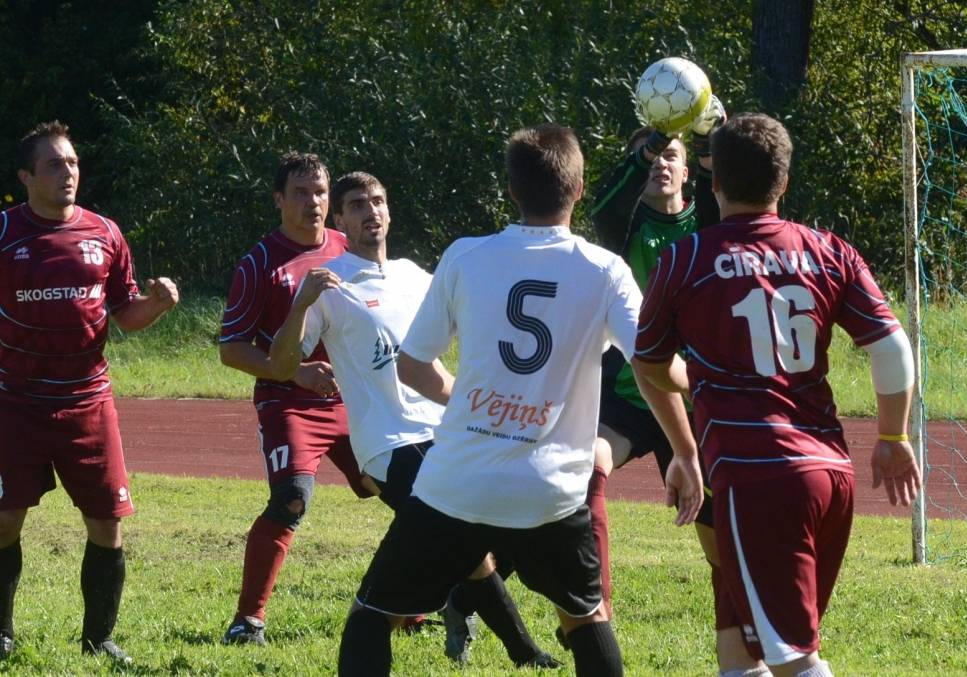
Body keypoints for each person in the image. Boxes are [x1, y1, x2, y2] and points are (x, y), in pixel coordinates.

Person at [336, 123, 705, 677]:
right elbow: (654, 366)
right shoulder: (605, 270)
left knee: (371, 615)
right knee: (585, 620)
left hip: (456, 481)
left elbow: (412, 366)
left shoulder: (465, 256)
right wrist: (694, 427)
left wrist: (470, 402)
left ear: (511, 191)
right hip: (550, 489)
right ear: (578, 190)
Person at [632, 113, 922, 677]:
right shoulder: (829, 250)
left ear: (715, 182)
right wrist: (892, 435)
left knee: (794, 660)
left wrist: (693, 394)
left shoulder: (685, 258)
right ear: (784, 183)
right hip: (828, 473)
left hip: (757, 478)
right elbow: (891, 347)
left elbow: (649, 365)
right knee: (740, 651)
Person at [270, 171, 557, 669]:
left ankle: (451, 605)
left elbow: (463, 336)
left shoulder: (415, 275)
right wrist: (301, 306)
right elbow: (280, 365)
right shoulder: (328, 284)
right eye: (357, 205)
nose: (371, 211)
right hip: (388, 445)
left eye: (378, 201)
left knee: (502, 520)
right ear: (341, 220)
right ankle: (524, 652)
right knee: (463, 538)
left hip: (446, 429)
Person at [589, 96, 766, 674]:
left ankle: (743, 644)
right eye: (652, 156)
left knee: (718, 544)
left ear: (691, 171)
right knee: (580, 472)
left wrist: (716, 131)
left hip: (694, 399)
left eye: (672, 155)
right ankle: (593, 618)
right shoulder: (623, 226)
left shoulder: (710, 222)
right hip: (628, 394)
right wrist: (645, 146)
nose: (661, 163)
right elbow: (606, 202)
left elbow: (738, 178)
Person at [0, 121, 179, 664]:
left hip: (88, 402)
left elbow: (126, 314)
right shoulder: (5, 233)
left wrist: (157, 305)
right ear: (26, 176)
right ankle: (2, 634)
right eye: (54, 164)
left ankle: (98, 640)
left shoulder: (105, 232)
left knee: (106, 523)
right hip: (15, 403)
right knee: (4, 520)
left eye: (73, 163)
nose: (68, 173)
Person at [218, 152, 373, 646]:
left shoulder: (350, 248)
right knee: (292, 498)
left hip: (354, 400)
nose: (313, 202)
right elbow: (231, 348)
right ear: (279, 200)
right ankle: (247, 621)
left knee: (398, 490)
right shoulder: (260, 262)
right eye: (301, 193)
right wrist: (296, 372)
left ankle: (405, 606)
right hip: (287, 401)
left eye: (320, 192)